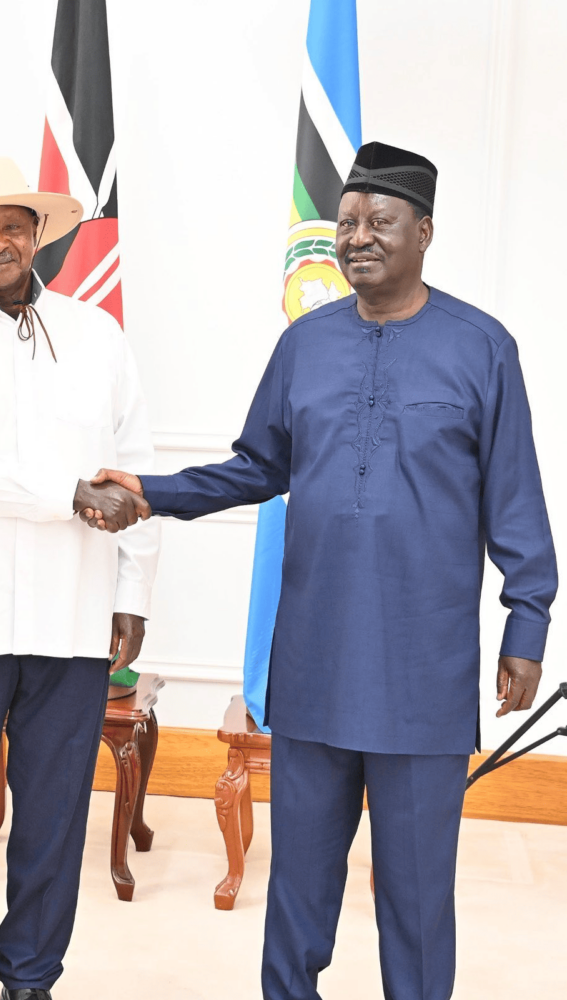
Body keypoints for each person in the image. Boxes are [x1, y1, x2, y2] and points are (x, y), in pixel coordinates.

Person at [78, 142, 558, 1000]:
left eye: (379, 221)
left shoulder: (482, 347)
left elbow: (514, 497)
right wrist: (147, 491)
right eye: (344, 222)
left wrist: (527, 623)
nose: (357, 237)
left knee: (414, 895)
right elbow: (252, 467)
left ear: (424, 232)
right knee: (299, 883)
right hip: (314, 662)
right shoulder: (304, 345)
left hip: (423, 670)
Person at [0, 157, 159, 1000]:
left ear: (39, 235)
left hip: (71, 612)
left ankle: (32, 977)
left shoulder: (98, 337)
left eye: (12, 225)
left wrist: (132, 593)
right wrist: (66, 496)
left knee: (51, 818)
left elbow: (134, 471)